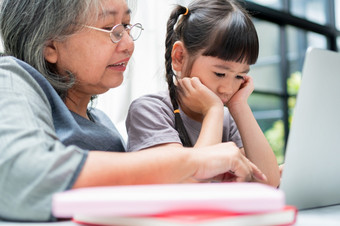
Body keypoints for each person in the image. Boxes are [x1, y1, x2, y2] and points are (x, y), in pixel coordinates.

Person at [0, 0, 267, 222]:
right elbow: (22, 173)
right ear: (51, 46)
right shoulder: (11, 77)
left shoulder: (102, 124)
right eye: (111, 28)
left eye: (127, 27)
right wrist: (196, 161)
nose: (128, 44)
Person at [126, 0, 280, 187]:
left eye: (240, 76)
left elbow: (269, 182)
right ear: (179, 57)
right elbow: (191, 187)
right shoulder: (150, 111)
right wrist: (213, 110)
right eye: (220, 73)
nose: (228, 88)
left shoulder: (227, 120)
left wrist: (239, 106)